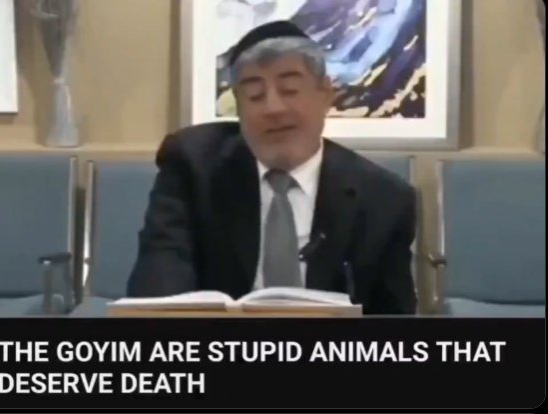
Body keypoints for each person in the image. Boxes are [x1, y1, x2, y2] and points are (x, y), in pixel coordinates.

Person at [127, 20, 417, 314]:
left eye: (289, 90)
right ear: (238, 107)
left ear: (326, 94)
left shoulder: (384, 198)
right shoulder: (193, 166)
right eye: (255, 95)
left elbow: (393, 314)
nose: (273, 108)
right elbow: (160, 283)